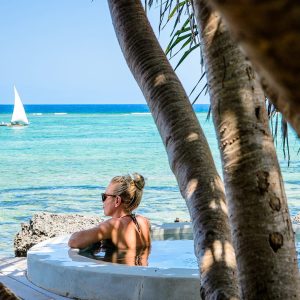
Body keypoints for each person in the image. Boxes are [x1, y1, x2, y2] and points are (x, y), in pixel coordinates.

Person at [68, 173, 151, 257]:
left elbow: (73, 240)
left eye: (104, 196)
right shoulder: (144, 221)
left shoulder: (114, 225)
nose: (102, 201)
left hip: (118, 270)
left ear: (117, 201)